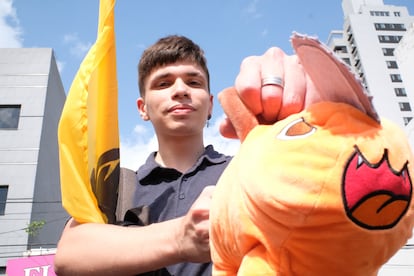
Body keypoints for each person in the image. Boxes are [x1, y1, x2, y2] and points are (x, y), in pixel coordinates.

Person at [54, 35, 369, 275]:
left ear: (210, 104)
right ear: (142, 109)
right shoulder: (117, 187)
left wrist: (329, 115)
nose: (180, 90)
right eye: (163, 83)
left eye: (194, 81)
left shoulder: (250, 170)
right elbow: (68, 256)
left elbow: (335, 219)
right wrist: (184, 237)